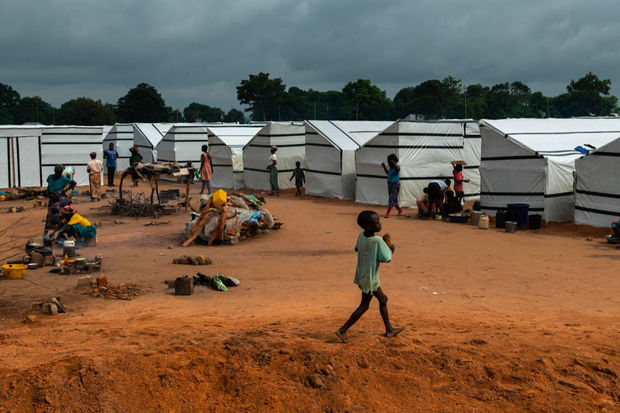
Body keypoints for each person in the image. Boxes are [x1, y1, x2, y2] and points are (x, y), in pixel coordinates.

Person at [335, 210, 404, 343]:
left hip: (363, 274)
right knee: (364, 305)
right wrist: (390, 247)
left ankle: (389, 329)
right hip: (370, 278)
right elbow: (387, 258)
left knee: (383, 299)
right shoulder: (377, 240)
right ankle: (342, 330)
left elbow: (358, 249)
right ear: (368, 226)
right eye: (376, 222)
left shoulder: (361, 235)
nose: (380, 224)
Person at [44, 165, 76, 235]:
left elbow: (74, 183)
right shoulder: (50, 177)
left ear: (61, 172)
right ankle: (46, 233)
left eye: (59, 172)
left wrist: (66, 190)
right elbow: (49, 184)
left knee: (60, 214)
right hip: (52, 199)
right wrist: (48, 192)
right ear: (54, 171)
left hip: (60, 199)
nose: (57, 173)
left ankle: (58, 232)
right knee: (50, 215)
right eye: (56, 172)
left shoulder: (64, 179)